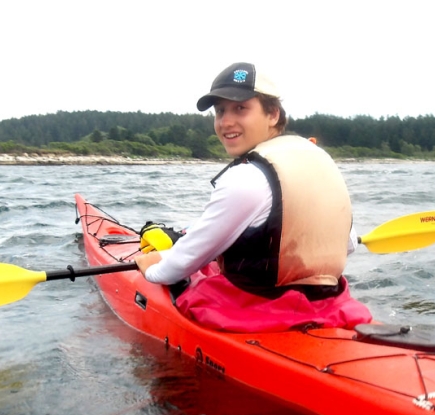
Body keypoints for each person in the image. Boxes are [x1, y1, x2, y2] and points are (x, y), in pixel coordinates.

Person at [134, 62, 372, 332]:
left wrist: (149, 268)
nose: (225, 122)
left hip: (260, 313)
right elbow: (348, 244)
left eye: (240, 108)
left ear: (272, 114)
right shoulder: (320, 159)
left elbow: (176, 268)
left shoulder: (244, 178)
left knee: (188, 280)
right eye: (220, 111)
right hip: (330, 306)